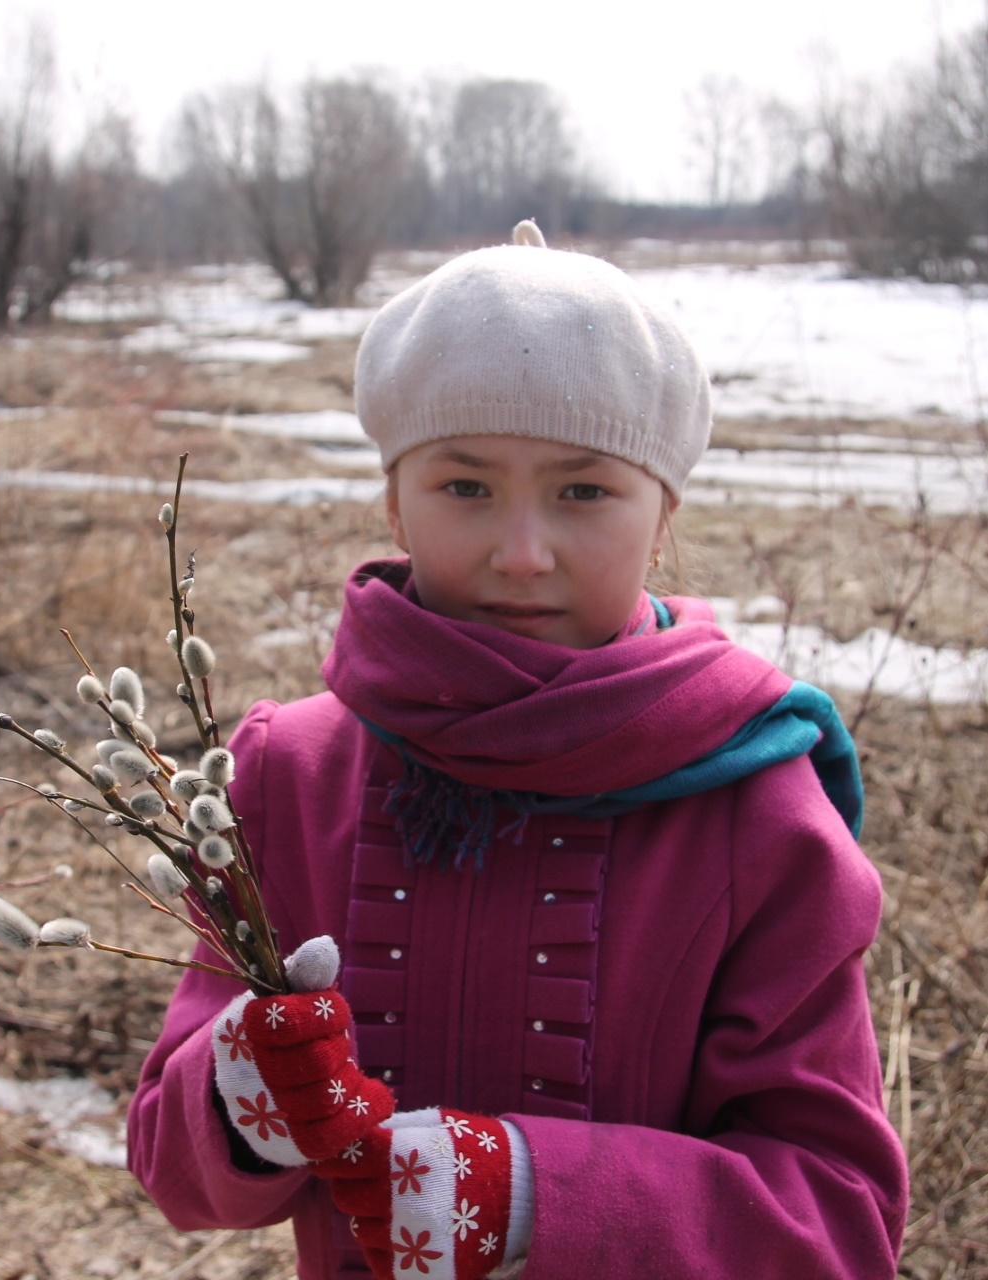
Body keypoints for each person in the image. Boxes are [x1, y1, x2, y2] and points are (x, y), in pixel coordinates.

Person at [126, 224, 908, 1280]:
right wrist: (243, 1097)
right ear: (393, 498)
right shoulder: (288, 776)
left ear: (660, 509)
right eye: (465, 487)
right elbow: (171, 1167)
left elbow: (837, 1216)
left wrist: (529, 1196)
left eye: (583, 491)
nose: (521, 552)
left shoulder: (754, 813)